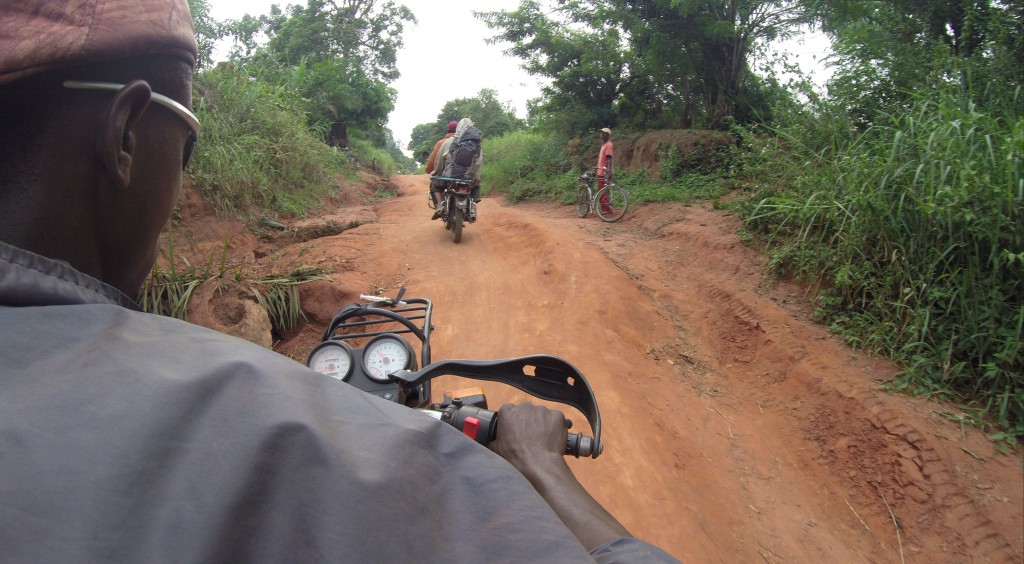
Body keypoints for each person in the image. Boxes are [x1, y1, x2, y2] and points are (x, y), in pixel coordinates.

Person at [0, 1, 677, 562]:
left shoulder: (446, 149)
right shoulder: (279, 425)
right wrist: (542, 469)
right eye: (186, 145)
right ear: (123, 134)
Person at [596, 127, 615, 215]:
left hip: (604, 172)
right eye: (601, 133)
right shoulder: (604, 145)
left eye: (603, 133)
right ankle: (606, 208)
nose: (601, 135)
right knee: (603, 191)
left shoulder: (608, 145)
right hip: (601, 172)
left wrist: (607, 172)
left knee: (602, 192)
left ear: (608, 135)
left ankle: (606, 209)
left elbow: (609, 159)